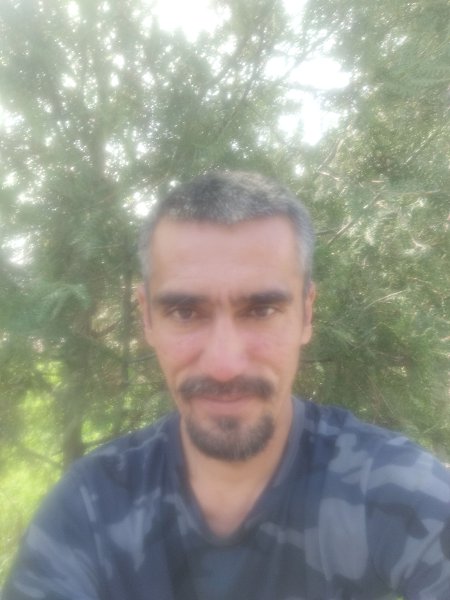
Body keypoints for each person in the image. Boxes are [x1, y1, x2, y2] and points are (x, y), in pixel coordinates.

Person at [3, 171, 450, 600]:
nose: (224, 365)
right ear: (147, 317)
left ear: (306, 313)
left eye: (261, 310)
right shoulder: (89, 505)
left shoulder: (392, 487)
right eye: (185, 312)